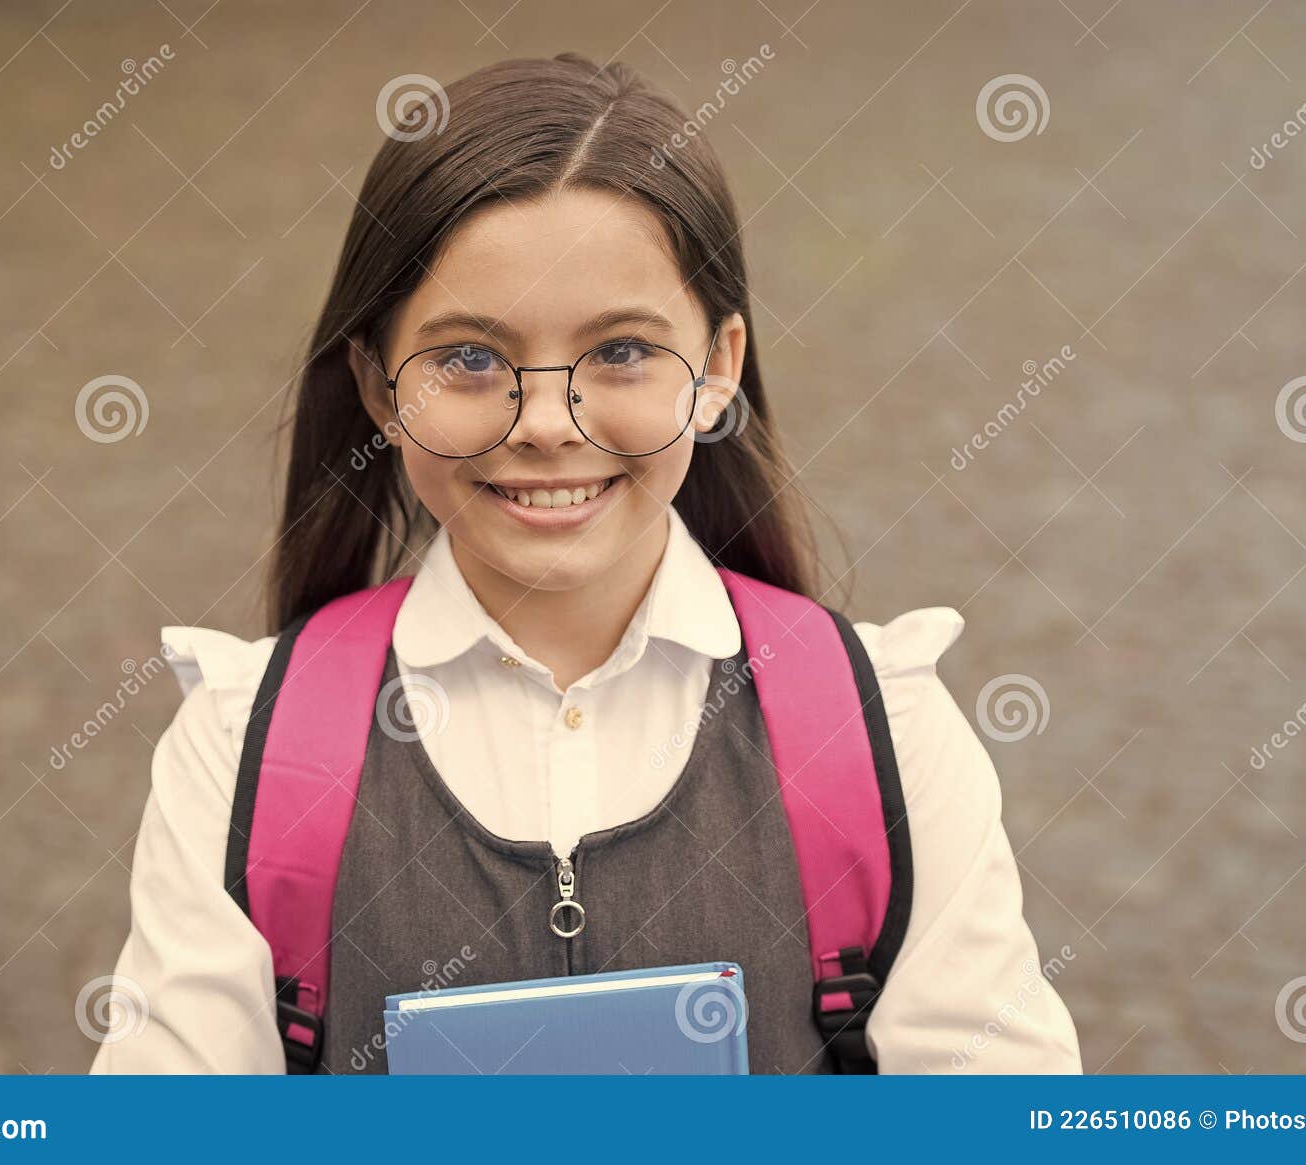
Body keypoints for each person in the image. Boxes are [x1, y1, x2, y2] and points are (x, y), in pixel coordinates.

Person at [90, 51, 1081, 1075]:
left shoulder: (888, 729)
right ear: (380, 389)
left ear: (718, 369)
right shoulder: (240, 741)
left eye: (619, 353)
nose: (548, 426)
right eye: (470, 359)